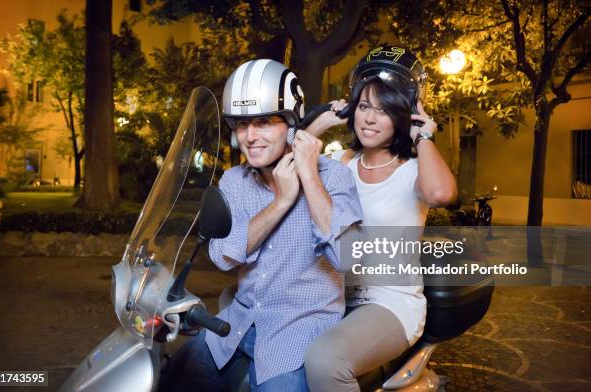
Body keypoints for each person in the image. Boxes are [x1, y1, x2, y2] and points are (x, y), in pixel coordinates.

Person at [162, 59, 362, 392]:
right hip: (237, 323)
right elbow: (224, 255)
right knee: (171, 379)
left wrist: (308, 176)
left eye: (264, 122)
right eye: (241, 124)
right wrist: (281, 200)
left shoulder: (333, 176)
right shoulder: (235, 181)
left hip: (297, 330)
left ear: (292, 125)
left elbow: (349, 258)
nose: (250, 136)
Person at [304, 45, 457, 392]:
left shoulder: (414, 169)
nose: (370, 118)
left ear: (403, 116)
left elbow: (441, 194)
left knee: (325, 359)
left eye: (384, 110)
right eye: (364, 107)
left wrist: (424, 136)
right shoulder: (343, 162)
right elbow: (293, 172)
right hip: (336, 294)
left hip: (391, 301)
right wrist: (326, 120)